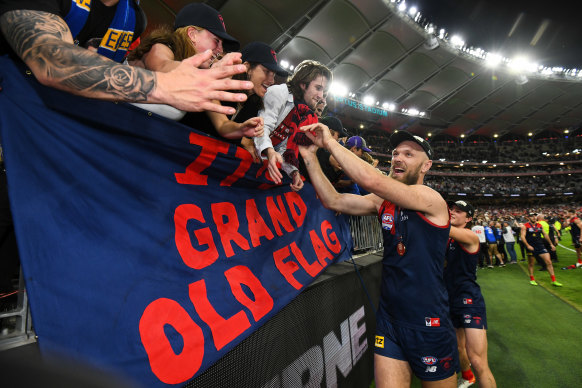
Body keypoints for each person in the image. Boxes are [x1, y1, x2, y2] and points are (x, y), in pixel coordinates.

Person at [298, 128, 458, 387]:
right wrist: (309, 156)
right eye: (395, 153)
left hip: (428, 321)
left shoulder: (431, 199)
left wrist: (329, 142)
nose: (397, 158)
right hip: (390, 319)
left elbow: (373, 181)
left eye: (408, 154)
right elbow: (334, 200)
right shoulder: (383, 202)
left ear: (426, 165)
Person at [0, 0, 253, 115]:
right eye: (216, 40)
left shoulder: (133, 18)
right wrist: (163, 86)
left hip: (48, 118)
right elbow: (52, 61)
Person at [254, 59, 332, 192]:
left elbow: (283, 147)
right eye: (318, 88)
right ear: (303, 84)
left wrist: (294, 172)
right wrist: (270, 151)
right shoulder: (279, 92)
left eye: (323, 91)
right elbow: (262, 127)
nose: (321, 96)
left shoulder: (302, 111)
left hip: (262, 160)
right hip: (247, 155)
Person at [445, 200, 497, 388]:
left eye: (459, 211)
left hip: (469, 300)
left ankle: (472, 375)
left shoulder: (470, 235)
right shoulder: (448, 238)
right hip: (449, 299)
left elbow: (441, 228)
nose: (452, 212)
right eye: (451, 209)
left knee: (478, 360)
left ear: (468, 219)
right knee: (458, 349)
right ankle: (467, 377)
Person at [520, 212, 562, 286]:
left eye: (535, 216)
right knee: (531, 264)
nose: (534, 217)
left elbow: (545, 234)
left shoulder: (539, 225)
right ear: (528, 217)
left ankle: (553, 280)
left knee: (549, 262)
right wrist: (527, 245)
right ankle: (532, 279)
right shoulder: (525, 226)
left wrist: (551, 244)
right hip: (531, 247)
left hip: (540, 245)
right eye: (532, 216)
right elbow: (522, 237)